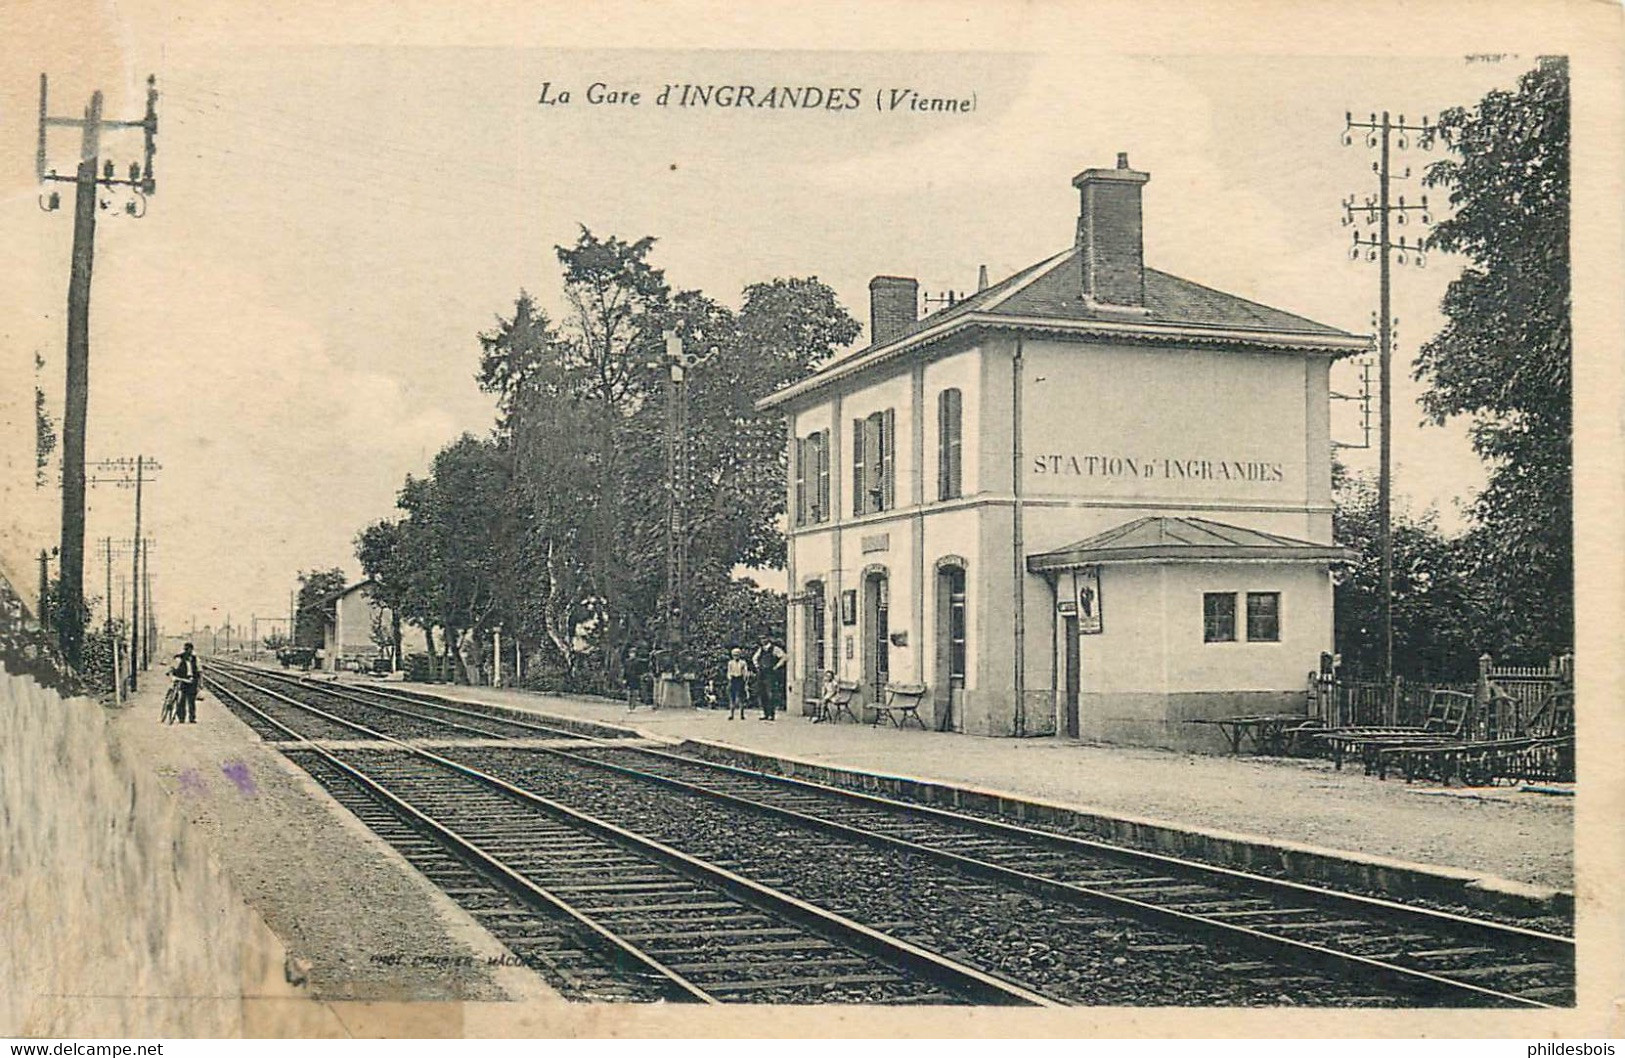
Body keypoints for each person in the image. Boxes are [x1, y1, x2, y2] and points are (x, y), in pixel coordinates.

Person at [751, 636, 786, 721]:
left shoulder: (775, 649)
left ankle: (771, 714)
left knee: (770, 693)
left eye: (764, 638)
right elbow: (754, 658)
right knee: (762, 693)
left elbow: (784, 657)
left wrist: (776, 666)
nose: (763, 641)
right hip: (762, 673)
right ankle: (765, 714)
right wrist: (757, 666)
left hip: (771, 673)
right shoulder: (761, 649)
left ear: (768, 639)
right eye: (761, 639)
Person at [170, 642, 201, 724]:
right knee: (182, 699)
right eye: (186, 650)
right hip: (183, 679)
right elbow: (173, 666)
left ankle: (192, 717)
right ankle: (181, 717)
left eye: (189, 650)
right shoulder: (179, 657)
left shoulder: (195, 659)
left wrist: (200, 683)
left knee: (191, 700)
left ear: (192, 650)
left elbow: (199, 670)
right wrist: (173, 673)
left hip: (192, 681)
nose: (188, 651)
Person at [725, 647, 750, 720]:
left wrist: (745, 680)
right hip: (733, 679)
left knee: (741, 697)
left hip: (740, 679)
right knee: (732, 697)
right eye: (734, 655)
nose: (736, 656)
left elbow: (745, 672)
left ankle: (742, 714)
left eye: (737, 654)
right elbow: (729, 672)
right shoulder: (730, 663)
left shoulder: (743, 662)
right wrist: (729, 679)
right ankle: (731, 714)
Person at [623, 645, 647, 711]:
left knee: (635, 693)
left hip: (636, 679)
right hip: (629, 678)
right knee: (629, 693)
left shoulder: (638, 662)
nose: (632, 654)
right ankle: (629, 706)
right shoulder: (627, 661)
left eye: (633, 653)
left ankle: (633, 706)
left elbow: (640, 670)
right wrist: (624, 678)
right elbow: (625, 671)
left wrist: (640, 676)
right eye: (631, 653)